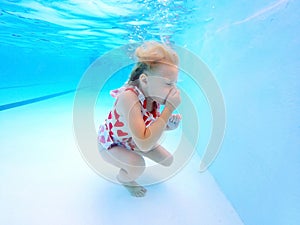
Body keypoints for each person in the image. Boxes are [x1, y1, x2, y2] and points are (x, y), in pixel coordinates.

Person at [97, 41, 182, 197]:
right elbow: (144, 143)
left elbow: (149, 125)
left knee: (168, 160)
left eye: (175, 84)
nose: (174, 90)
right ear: (144, 80)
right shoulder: (128, 97)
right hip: (111, 144)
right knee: (137, 166)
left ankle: (130, 153)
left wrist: (167, 125)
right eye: (169, 83)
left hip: (133, 139)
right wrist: (169, 109)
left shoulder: (153, 96)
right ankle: (125, 180)